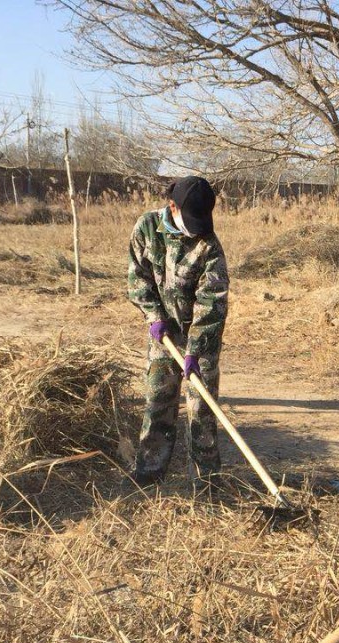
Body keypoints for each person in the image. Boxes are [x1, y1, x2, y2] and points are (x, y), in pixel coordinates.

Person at [127, 176, 229, 486]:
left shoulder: (209, 245)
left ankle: (206, 479)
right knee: (159, 398)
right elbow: (137, 276)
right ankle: (149, 469)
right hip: (163, 333)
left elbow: (212, 302)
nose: (196, 228)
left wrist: (195, 350)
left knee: (201, 408)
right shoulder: (147, 227)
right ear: (172, 207)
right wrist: (154, 316)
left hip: (200, 336)